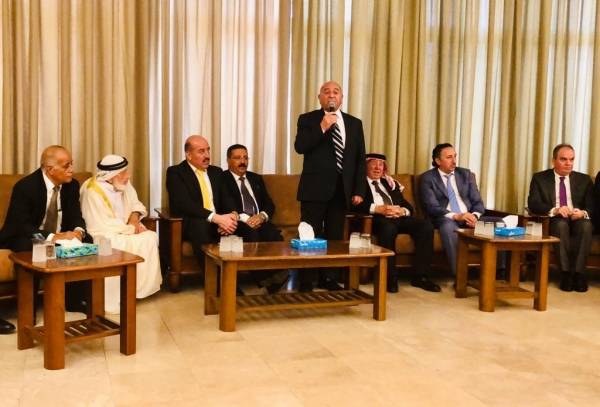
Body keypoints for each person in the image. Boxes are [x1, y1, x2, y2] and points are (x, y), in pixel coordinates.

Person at [0, 145, 90, 331]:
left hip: (57, 235)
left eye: (71, 164)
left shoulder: (72, 185)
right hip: (23, 235)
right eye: (66, 166)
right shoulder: (26, 187)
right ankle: (28, 309)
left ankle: (74, 300)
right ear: (50, 169)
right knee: (32, 247)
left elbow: (75, 214)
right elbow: (21, 225)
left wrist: (78, 231)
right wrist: (53, 237)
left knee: (87, 240)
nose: (71, 170)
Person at [294, 80, 366, 292]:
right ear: (320, 98)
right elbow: (300, 147)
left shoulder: (354, 123)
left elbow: (359, 159)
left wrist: (359, 190)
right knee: (309, 234)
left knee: (335, 236)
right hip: (314, 189)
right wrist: (322, 127)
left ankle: (329, 278)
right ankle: (306, 280)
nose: (331, 95)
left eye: (336, 92)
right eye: (326, 92)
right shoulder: (308, 119)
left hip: (341, 190)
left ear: (342, 98)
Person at [80, 155, 162, 313]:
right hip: (103, 234)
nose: (128, 176)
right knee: (117, 244)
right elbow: (101, 225)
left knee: (150, 237)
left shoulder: (123, 183)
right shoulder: (92, 191)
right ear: (111, 176)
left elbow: (136, 204)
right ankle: (116, 296)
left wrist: (135, 218)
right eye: (123, 173)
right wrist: (131, 228)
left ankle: (137, 291)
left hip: (127, 228)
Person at [356, 154, 440, 293]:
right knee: (388, 229)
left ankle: (421, 277)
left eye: (381, 165)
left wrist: (403, 211)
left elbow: (407, 205)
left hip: (398, 217)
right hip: (377, 219)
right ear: (365, 166)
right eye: (374, 164)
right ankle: (390, 278)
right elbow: (354, 205)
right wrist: (377, 209)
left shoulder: (390, 183)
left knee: (425, 226)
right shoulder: (359, 184)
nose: (377, 168)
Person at [165, 135, 240, 291]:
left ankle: (267, 278)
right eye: (201, 151)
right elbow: (184, 204)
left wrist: (232, 216)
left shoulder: (216, 172)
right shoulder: (176, 172)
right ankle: (219, 286)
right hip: (191, 222)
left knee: (247, 225)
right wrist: (215, 218)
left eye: (208, 150)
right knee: (200, 226)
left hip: (217, 220)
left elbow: (227, 198)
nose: (207, 155)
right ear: (188, 155)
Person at [221, 144, 288, 293]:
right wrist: (248, 220)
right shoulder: (222, 179)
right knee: (251, 234)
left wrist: (262, 216)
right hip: (239, 222)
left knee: (273, 234)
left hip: (260, 220)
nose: (242, 161)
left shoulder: (255, 178)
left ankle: (280, 276)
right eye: (237, 158)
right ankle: (267, 280)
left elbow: (269, 203)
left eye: (245, 158)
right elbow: (226, 204)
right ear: (228, 160)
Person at [528, 144, 594, 292]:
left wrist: (583, 213)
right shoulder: (540, 178)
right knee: (560, 225)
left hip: (578, 218)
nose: (568, 163)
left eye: (571, 159)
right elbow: (533, 203)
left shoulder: (584, 180)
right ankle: (565, 274)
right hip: (556, 219)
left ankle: (579, 273)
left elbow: (593, 205)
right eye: (563, 159)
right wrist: (555, 210)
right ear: (554, 161)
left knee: (586, 226)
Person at [419, 143, 485, 276]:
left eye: (455, 156)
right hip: (446, 218)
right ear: (438, 161)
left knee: (500, 224)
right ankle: (460, 275)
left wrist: (474, 216)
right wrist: (456, 216)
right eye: (449, 157)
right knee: (448, 227)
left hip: (469, 216)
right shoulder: (428, 178)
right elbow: (431, 207)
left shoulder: (466, 174)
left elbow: (478, 202)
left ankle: (499, 273)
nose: (454, 161)